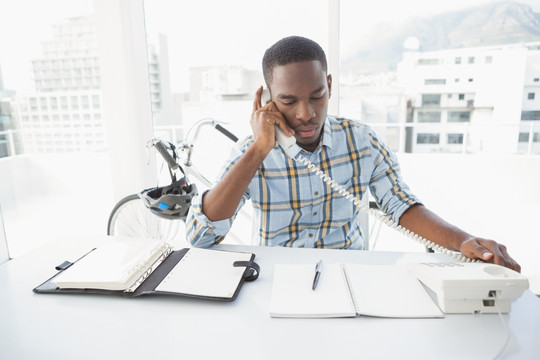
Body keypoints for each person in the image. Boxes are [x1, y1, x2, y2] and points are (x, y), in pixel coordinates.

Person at [185, 35, 520, 271]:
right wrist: (259, 149)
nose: (306, 113)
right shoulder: (251, 152)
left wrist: (463, 241)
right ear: (268, 100)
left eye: (317, 96)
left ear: (329, 85)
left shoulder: (361, 140)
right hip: (274, 279)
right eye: (288, 101)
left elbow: (401, 206)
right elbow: (201, 236)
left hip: (351, 277)